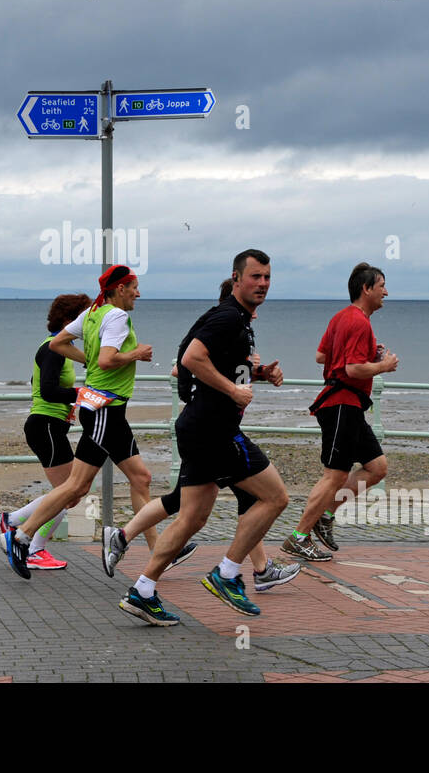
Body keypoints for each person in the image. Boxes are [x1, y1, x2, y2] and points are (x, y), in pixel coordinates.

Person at [119, 250, 291, 625]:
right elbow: (192, 359)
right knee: (275, 496)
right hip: (214, 429)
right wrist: (232, 390)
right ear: (236, 278)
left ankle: (142, 591)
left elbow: (216, 363)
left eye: (267, 278)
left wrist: (259, 375)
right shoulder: (229, 316)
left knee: (191, 518)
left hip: (197, 426)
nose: (262, 283)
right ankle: (227, 573)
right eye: (255, 277)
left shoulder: (237, 320)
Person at [0, 265, 157, 579]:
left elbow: (58, 343)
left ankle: (163, 549)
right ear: (121, 288)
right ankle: (20, 535)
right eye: (134, 287)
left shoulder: (91, 315)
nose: (138, 294)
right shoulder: (115, 316)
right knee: (76, 486)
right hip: (104, 410)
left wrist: (87, 359)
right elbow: (107, 360)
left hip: (108, 409)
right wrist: (135, 354)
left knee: (141, 477)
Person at [283, 262, 397, 564]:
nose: (387, 291)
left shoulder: (341, 319)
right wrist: (383, 365)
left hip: (351, 405)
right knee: (334, 474)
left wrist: (367, 354)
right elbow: (352, 369)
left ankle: (325, 516)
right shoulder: (358, 322)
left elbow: (322, 355)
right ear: (366, 289)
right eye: (382, 285)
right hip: (341, 404)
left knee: (377, 468)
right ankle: (298, 537)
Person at [0, 293, 92, 570]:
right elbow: (46, 389)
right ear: (71, 320)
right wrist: (80, 393)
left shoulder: (60, 348)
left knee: (70, 492)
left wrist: (70, 402)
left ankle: (19, 531)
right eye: (85, 317)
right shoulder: (53, 349)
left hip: (50, 425)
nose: (89, 323)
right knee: (69, 492)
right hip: (45, 426)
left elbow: (38, 384)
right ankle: (17, 530)